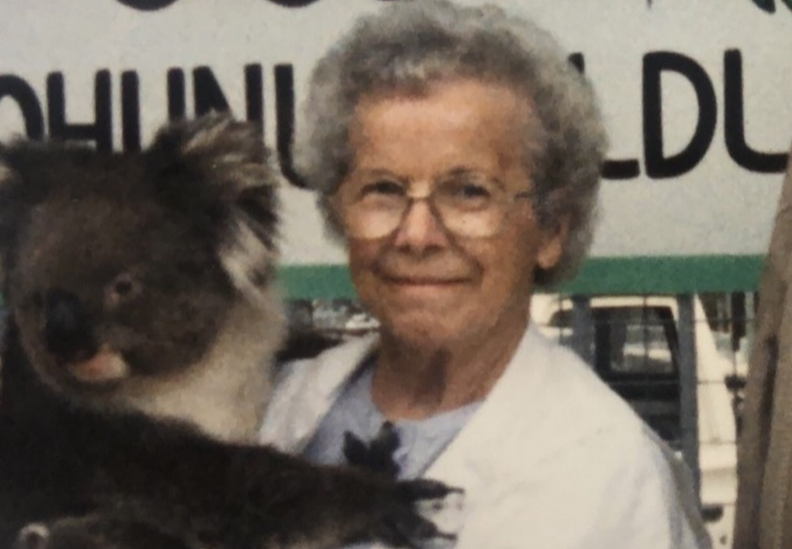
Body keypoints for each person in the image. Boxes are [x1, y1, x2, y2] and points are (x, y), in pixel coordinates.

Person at [259, 2, 713, 547]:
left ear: (550, 230)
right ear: (337, 209)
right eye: (382, 189)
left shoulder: (610, 473)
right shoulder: (273, 409)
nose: (418, 234)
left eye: (469, 191)